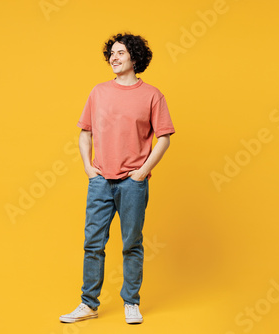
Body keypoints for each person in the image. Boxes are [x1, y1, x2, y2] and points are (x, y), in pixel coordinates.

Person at [59, 32, 175, 325]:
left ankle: (131, 302)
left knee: (131, 243)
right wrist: (88, 167)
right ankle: (88, 304)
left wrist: (141, 172)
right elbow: (85, 133)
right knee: (93, 243)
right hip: (100, 180)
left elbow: (164, 138)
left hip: (133, 183)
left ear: (135, 57)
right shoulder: (98, 92)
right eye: (111, 53)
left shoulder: (152, 95)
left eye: (120, 52)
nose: (114, 57)